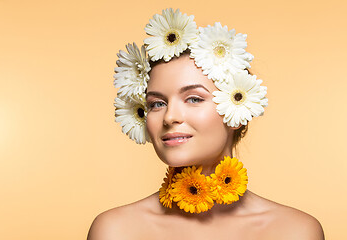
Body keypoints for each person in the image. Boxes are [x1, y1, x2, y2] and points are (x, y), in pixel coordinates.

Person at [87, 9, 325, 240]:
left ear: (237, 107)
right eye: (157, 103)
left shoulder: (295, 231)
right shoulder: (115, 231)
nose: (169, 117)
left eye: (194, 99)